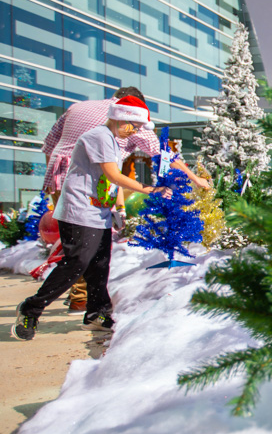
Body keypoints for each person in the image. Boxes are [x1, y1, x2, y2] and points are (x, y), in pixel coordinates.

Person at [12, 96, 173, 341]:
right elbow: (113, 175)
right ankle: (31, 308)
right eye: (135, 126)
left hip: (97, 211)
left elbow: (111, 179)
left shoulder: (114, 141)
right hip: (78, 210)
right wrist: (151, 189)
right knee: (77, 263)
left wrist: (119, 208)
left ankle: (97, 313)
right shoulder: (99, 136)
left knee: (99, 264)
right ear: (122, 118)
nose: (136, 132)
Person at [41, 87, 210, 312]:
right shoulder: (128, 116)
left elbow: (49, 145)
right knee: (92, 241)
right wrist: (195, 178)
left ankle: (82, 298)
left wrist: (56, 176)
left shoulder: (77, 107)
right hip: (95, 180)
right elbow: (161, 153)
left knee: (75, 237)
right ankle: (81, 299)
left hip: (62, 171)